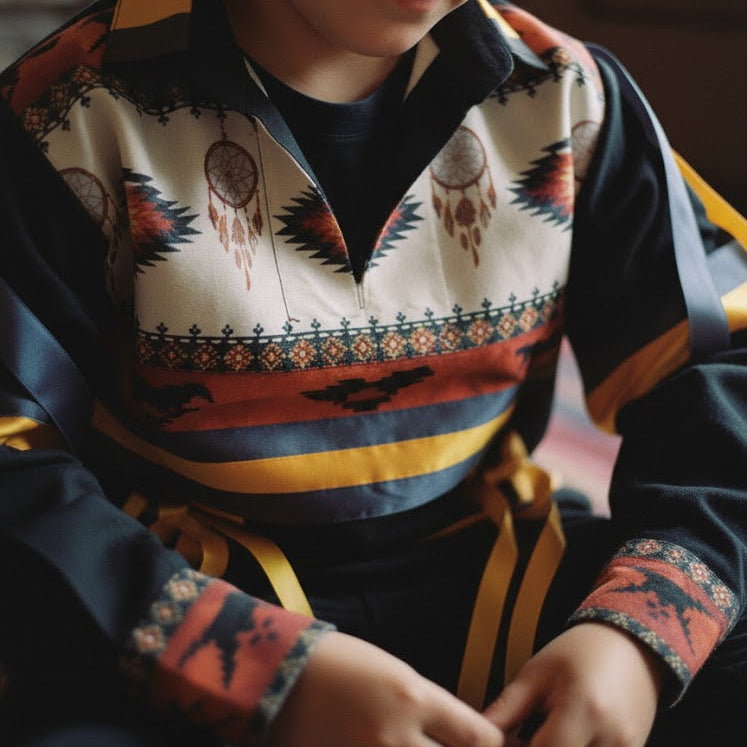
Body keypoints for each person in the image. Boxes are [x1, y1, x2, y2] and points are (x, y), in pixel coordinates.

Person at [0, 0, 744, 745]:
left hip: (503, 573)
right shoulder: (60, 115)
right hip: (178, 598)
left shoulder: (568, 94)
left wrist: (641, 632)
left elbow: (721, 363)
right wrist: (267, 671)